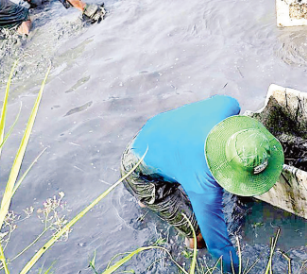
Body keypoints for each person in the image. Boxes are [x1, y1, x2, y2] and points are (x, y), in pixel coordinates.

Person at [121, 95, 284, 273]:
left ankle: (153, 199)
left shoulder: (228, 105)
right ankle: (187, 249)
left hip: (151, 135)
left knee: (173, 173)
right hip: (137, 168)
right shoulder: (204, 186)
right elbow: (218, 246)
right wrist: (234, 270)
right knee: (198, 234)